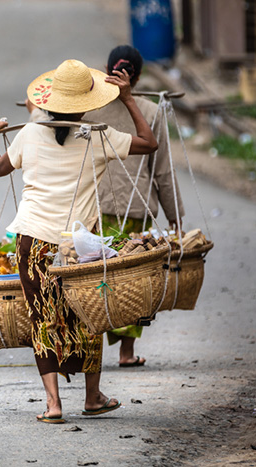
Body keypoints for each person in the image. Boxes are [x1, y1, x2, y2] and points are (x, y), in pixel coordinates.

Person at [0, 59, 158, 424]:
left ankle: (53, 405)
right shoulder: (97, 135)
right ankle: (92, 397)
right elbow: (149, 143)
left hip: (33, 242)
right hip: (78, 247)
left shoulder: (29, 133)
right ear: (87, 102)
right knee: (91, 316)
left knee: (43, 319)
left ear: (47, 101)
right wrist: (128, 99)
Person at [87, 45, 185, 368]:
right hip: (135, 212)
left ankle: (93, 352)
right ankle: (126, 353)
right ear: (138, 77)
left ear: (107, 69)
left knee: (94, 279)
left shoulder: (89, 110)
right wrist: (175, 219)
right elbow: (163, 171)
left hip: (95, 211)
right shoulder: (150, 112)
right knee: (130, 283)